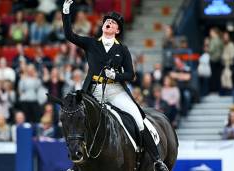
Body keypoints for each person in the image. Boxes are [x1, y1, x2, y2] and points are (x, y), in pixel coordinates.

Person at [62, 1, 168, 170]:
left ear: (117, 30)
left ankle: (157, 160)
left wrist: (116, 75)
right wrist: (66, 12)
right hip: (94, 90)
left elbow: (131, 74)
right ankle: (76, 165)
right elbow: (70, 35)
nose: (109, 23)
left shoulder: (122, 49)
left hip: (115, 90)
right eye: (107, 21)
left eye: (113, 22)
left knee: (138, 119)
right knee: (78, 118)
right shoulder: (91, 43)